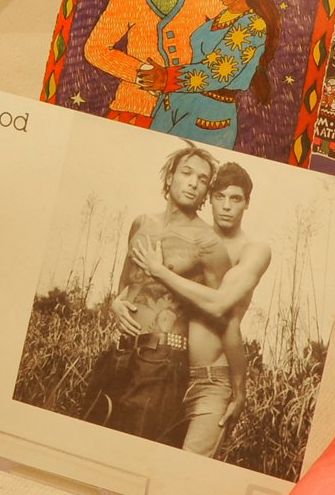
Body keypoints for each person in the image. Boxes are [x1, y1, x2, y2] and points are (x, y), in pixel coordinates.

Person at [86, 147, 231, 445]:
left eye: (202, 180)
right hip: (120, 354)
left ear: (206, 192)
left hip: (164, 361)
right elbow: (127, 285)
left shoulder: (209, 243)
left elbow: (219, 309)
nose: (193, 183)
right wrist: (115, 304)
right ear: (170, 176)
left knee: (133, 449)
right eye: (187, 173)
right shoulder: (141, 223)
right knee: (90, 436)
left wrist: (163, 272)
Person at [130, 162, 272, 457]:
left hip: (212, 381)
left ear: (247, 202)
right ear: (209, 198)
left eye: (236, 199)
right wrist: (120, 301)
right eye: (219, 196)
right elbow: (143, 286)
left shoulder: (254, 250)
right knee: (149, 462)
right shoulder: (193, 238)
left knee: (187, 472)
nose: (226, 207)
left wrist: (239, 391)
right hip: (170, 371)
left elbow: (220, 304)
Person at [142, 0, 281, 149]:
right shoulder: (223, 16)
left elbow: (218, 71)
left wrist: (168, 78)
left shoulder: (254, 25)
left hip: (207, 118)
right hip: (173, 105)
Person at [84, 0, 223, 127]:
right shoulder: (125, 1)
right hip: (137, 107)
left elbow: (236, 35)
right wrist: (140, 73)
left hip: (193, 109)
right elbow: (95, 48)